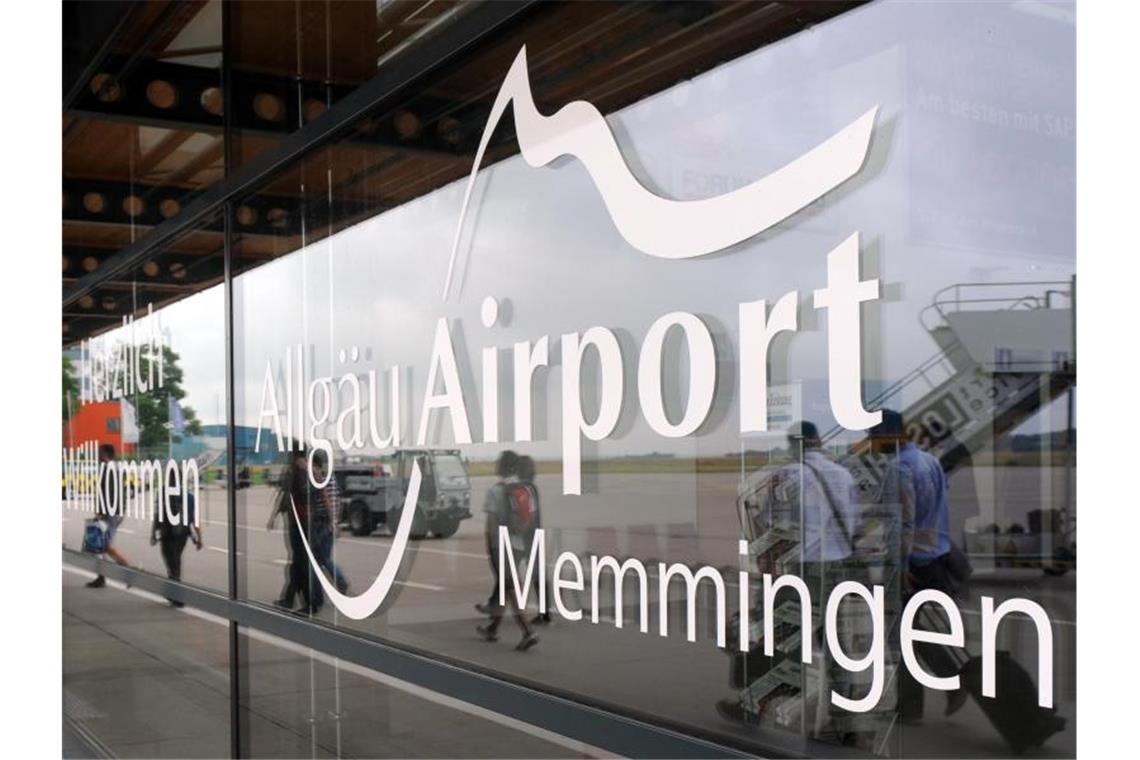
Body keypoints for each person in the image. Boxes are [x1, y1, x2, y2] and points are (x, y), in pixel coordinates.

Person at [869, 409, 960, 724]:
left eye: (875, 437)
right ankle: (953, 679)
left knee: (899, 635)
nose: (873, 445)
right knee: (916, 631)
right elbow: (940, 509)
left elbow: (902, 523)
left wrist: (899, 566)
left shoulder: (899, 467)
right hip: (936, 556)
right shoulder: (930, 460)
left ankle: (910, 708)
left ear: (888, 436)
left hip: (913, 563)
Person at [475, 450, 538, 651]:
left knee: (510, 589)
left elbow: (491, 524)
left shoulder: (495, 491)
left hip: (501, 546)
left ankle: (528, 631)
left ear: (503, 466)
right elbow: (530, 520)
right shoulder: (525, 490)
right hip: (519, 544)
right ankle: (492, 628)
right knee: (505, 587)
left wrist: (490, 548)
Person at [267, 447, 322, 614]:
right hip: (298, 522)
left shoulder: (301, 472)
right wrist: (274, 516)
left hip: (302, 524)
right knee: (298, 564)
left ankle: (309, 604)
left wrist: (274, 517)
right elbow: (285, 495)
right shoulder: (295, 472)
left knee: (300, 564)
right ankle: (292, 600)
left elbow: (315, 489)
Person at [86, 443, 133, 588]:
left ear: (105, 454)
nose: (97, 455)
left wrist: (102, 512)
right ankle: (101, 577)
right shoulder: (113, 468)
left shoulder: (109, 469)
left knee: (105, 546)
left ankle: (129, 572)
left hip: (110, 513)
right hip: (112, 512)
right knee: (99, 545)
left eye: (99, 452)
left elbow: (111, 493)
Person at [150, 489, 203, 607]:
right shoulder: (189, 496)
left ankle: (177, 595)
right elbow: (194, 519)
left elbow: (158, 515)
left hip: (167, 534)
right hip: (182, 534)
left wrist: (153, 533)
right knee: (176, 562)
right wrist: (199, 538)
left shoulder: (164, 493)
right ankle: (172, 592)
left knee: (172, 565)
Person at [516, 455, 551, 625]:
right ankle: (545, 611)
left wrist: (520, 530)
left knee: (510, 573)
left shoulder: (525, 489)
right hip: (535, 535)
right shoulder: (533, 488)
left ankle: (496, 608)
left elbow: (529, 514)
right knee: (537, 574)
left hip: (527, 537)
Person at [311, 451, 349, 594]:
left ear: (315, 465)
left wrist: (332, 522)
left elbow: (327, 501)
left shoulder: (318, 478)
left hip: (323, 523)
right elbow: (338, 501)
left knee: (320, 558)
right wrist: (336, 521)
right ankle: (324, 588)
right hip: (330, 522)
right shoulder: (331, 478)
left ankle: (339, 581)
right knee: (321, 558)